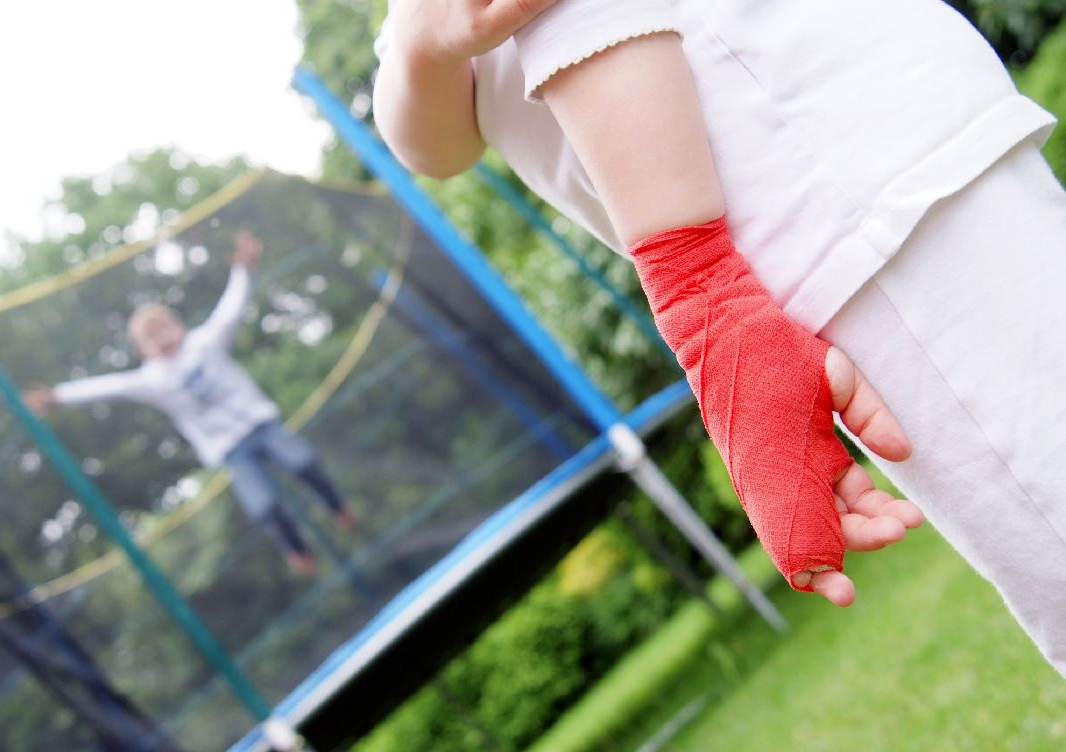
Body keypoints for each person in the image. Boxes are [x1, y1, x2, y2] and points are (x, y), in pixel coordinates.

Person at [372, 0, 1066, 675]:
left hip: (844, 198)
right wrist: (419, 39)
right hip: (834, 209)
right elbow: (436, 143)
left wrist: (703, 294)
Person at [23, 230, 354, 576]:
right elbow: (109, 386)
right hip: (231, 448)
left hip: (261, 424)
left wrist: (244, 269)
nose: (163, 340)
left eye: (164, 329)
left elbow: (230, 309)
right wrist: (58, 395)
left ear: (178, 326)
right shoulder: (152, 379)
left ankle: (336, 506)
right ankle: (296, 550)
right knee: (264, 506)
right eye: (152, 339)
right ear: (143, 351)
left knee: (302, 462)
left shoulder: (205, 343)